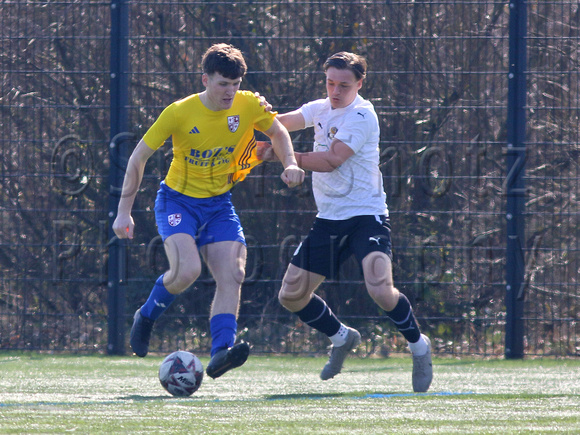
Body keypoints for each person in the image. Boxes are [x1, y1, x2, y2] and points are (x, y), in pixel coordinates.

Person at [112, 43, 304, 379]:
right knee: (186, 271)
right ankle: (146, 315)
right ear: (205, 79)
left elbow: (277, 131)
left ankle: (220, 353)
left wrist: (289, 162)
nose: (230, 91)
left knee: (234, 273)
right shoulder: (179, 112)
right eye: (222, 84)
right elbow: (137, 157)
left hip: (218, 205)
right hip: (177, 202)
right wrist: (123, 212)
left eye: (235, 84)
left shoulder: (247, 104)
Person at [257, 52, 433, 392]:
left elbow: (331, 160)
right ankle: (341, 337)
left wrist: (281, 156)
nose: (335, 91)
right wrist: (247, 113)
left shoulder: (362, 115)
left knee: (380, 288)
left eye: (344, 85)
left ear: (360, 84)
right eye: (330, 83)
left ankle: (419, 346)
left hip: (367, 216)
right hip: (329, 219)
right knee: (291, 295)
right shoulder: (320, 107)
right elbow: (279, 124)